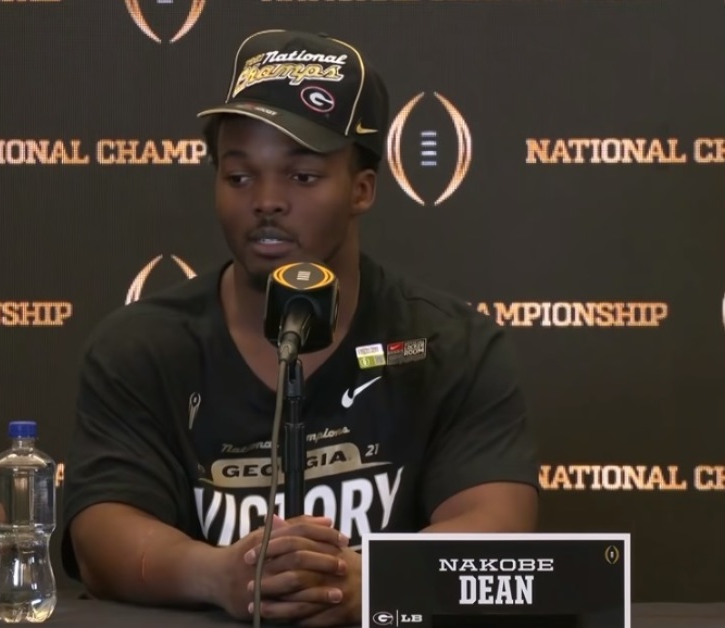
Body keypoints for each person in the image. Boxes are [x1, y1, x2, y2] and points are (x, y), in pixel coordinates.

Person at [61, 29, 539, 627]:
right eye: (239, 177)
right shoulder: (140, 347)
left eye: (302, 177)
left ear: (361, 189)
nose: (266, 201)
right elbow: (102, 534)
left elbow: (499, 525)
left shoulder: (451, 344)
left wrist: (381, 580)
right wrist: (219, 575)